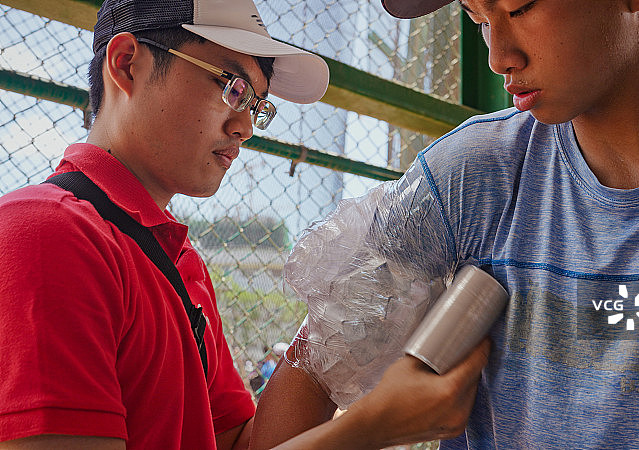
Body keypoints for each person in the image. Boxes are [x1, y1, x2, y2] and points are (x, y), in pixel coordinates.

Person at [254, 0, 639, 447]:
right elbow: (316, 362)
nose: (497, 55)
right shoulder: (474, 175)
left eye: (520, 6)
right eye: (479, 18)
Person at [0, 0, 490, 448]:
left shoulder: (176, 260)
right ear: (127, 63)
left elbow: (243, 443)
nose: (245, 127)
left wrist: (337, 321)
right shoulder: (47, 233)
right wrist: (371, 426)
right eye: (231, 88)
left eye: (258, 105)